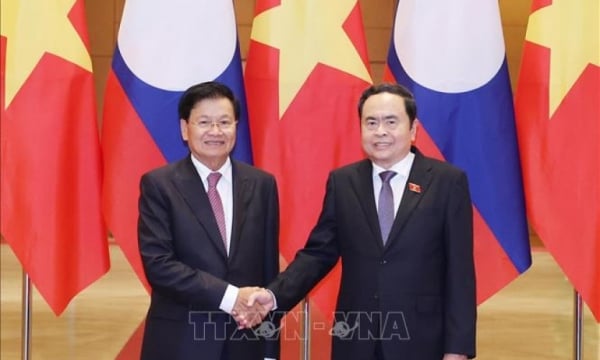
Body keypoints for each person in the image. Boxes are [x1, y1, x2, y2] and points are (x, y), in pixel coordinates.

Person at [243, 83, 476, 359]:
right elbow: (318, 254)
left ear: (412, 130)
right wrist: (272, 296)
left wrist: (458, 349)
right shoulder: (343, 182)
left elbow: (460, 272)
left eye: (391, 122)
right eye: (371, 122)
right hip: (356, 341)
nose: (381, 131)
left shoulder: (447, 182)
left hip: (422, 340)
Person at [137, 81, 280, 360]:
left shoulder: (262, 184)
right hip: (180, 342)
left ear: (236, 126)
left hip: (245, 341)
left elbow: (268, 271)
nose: (216, 131)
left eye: (224, 122)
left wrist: (269, 349)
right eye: (204, 122)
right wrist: (230, 297)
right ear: (184, 129)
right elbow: (159, 265)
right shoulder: (160, 185)